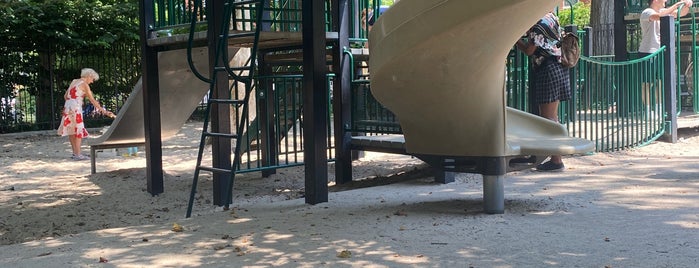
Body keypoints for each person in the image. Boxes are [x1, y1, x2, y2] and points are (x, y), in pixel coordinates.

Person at [516, 12, 571, 172]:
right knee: (552, 116)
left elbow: (529, 50)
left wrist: (516, 41)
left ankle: (556, 160)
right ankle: (547, 154)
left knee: (548, 118)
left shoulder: (537, 23)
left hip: (547, 68)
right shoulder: (550, 16)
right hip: (559, 66)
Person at [638, 0, 692, 119]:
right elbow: (659, 17)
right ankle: (647, 111)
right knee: (647, 84)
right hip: (648, 52)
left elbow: (680, 13)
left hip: (660, 51)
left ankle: (659, 108)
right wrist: (676, 5)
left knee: (660, 83)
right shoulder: (647, 12)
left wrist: (687, 4)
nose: (666, 1)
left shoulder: (663, 11)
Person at [57, 68, 115, 161]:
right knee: (78, 130)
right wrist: (104, 111)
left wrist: (74, 101)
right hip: (76, 108)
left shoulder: (74, 81)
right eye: (92, 79)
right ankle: (78, 154)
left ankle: (75, 153)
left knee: (71, 129)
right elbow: (93, 100)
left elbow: (65, 96)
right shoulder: (84, 85)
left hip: (68, 106)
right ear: (89, 76)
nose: (92, 81)